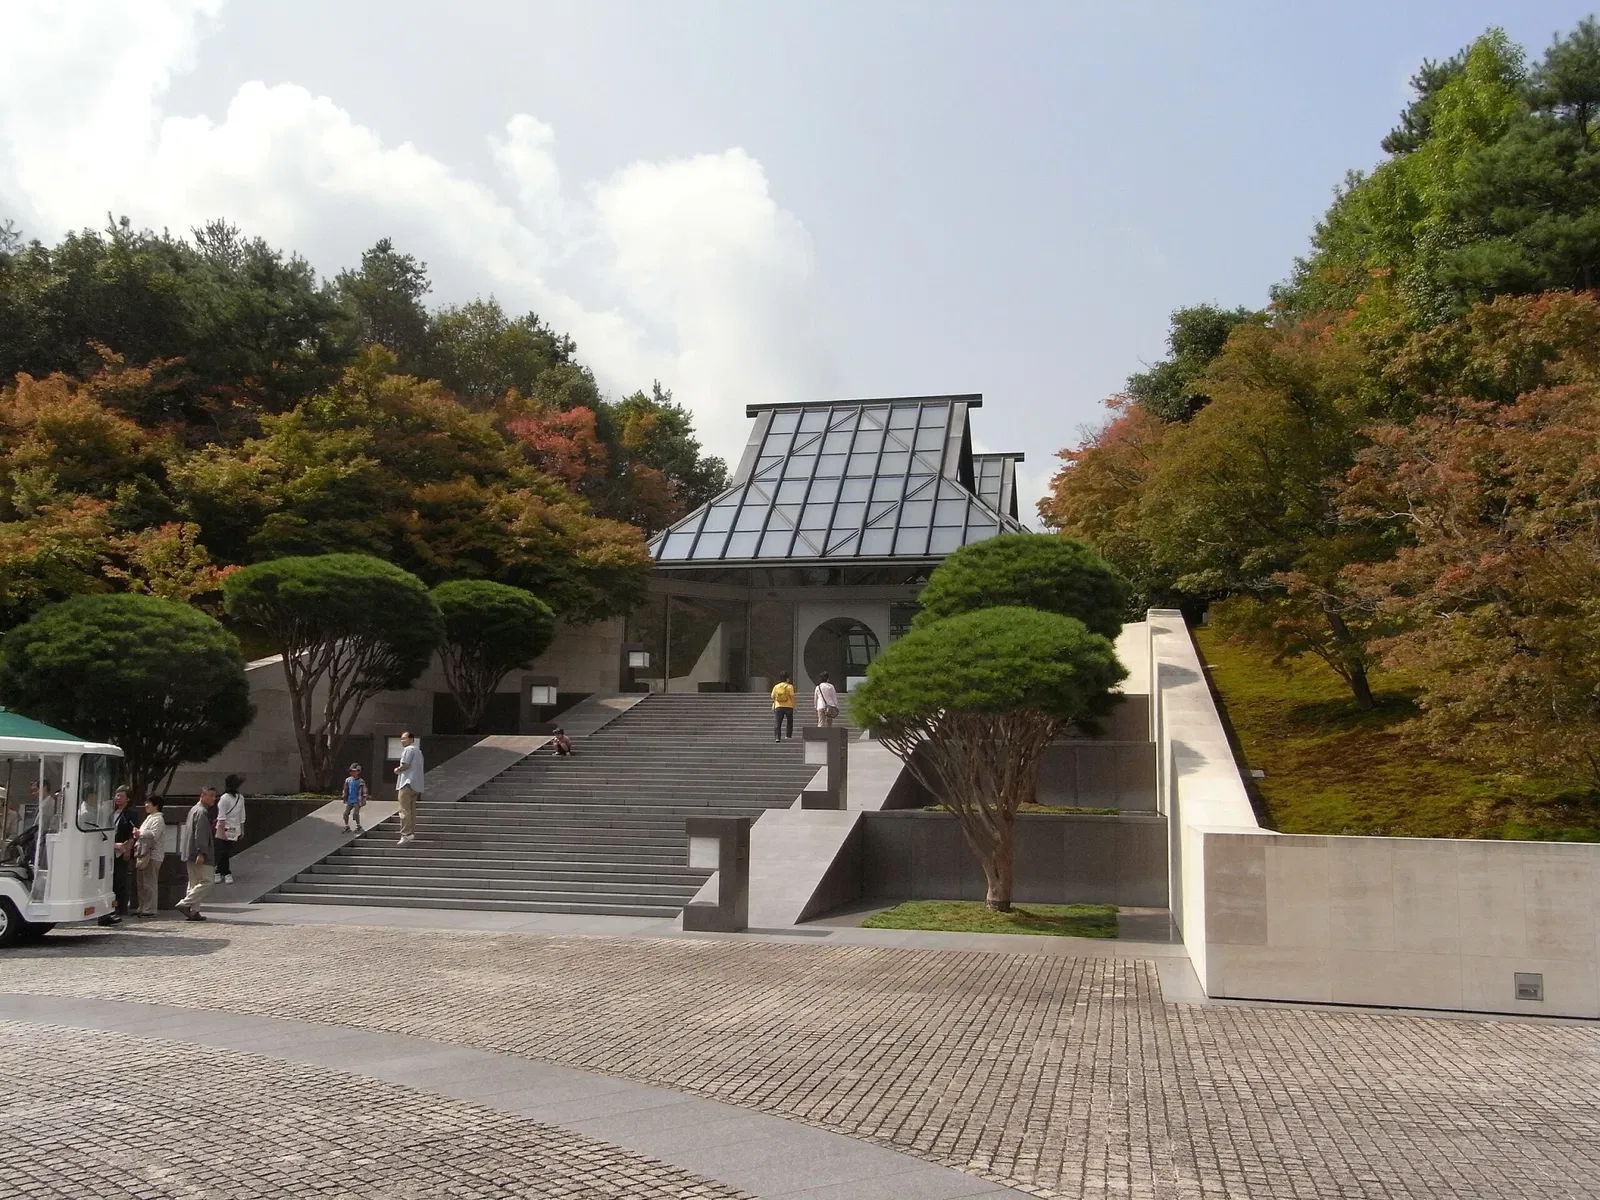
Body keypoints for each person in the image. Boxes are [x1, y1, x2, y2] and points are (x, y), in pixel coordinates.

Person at [176, 787, 218, 921]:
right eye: (211, 796)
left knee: (194, 882)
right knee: (207, 881)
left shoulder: (194, 810)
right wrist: (202, 852)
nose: (213, 799)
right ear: (202, 795)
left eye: (214, 796)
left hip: (190, 851)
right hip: (198, 853)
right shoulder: (201, 812)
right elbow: (200, 834)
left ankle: (194, 911)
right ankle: (185, 903)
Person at [98, 785, 136, 924]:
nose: (118, 798)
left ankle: (120, 906)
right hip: (109, 847)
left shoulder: (130, 814)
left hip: (122, 848)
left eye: (121, 796)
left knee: (120, 878)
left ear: (127, 799)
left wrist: (128, 849)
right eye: (117, 795)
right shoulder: (109, 812)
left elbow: (133, 833)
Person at [133, 799, 164, 919]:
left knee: (149, 882)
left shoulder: (158, 819)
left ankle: (150, 908)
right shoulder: (149, 817)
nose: (146, 805)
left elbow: (153, 835)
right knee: (142, 882)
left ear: (156, 805)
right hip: (143, 853)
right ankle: (142, 906)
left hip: (152, 855)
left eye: (149, 803)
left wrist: (139, 833)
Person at [393, 731, 424, 846]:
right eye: (401, 739)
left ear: (411, 739)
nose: (402, 741)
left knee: (404, 809)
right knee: (412, 810)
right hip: (416, 785)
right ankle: (411, 832)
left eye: (404, 738)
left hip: (406, 783)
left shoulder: (408, 750)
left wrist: (397, 769)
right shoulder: (419, 751)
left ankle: (405, 834)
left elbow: (405, 765)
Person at [214, 774, 246, 885]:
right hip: (224, 828)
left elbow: (242, 815)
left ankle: (218, 871)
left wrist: (242, 829)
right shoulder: (224, 798)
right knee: (224, 852)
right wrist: (221, 832)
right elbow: (221, 816)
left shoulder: (240, 798)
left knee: (226, 851)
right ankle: (226, 872)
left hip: (234, 828)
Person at [341, 763, 368, 833]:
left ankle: (358, 826)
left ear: (358, 772)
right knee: (345, 813)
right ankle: (347, 826)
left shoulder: (360, 781)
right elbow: (345, 788)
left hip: (357, 800)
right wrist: (344, 794)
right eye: (351, 771)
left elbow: (364, 790)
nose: (352, 773)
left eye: (354, 771)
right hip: (349, 800)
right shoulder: (348, 780)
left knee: (355, 814)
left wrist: (364, 799)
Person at [771, 673, 796, 742]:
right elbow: (792, 697)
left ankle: (777, 737)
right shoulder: (790, 686)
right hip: (789, 706)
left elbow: (772, 696)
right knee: (789, 721)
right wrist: (794, 705)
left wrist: (774, 704)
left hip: (779, 706)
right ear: (787, 679)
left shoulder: (776, 686)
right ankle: (788, 735)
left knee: (778, 722)